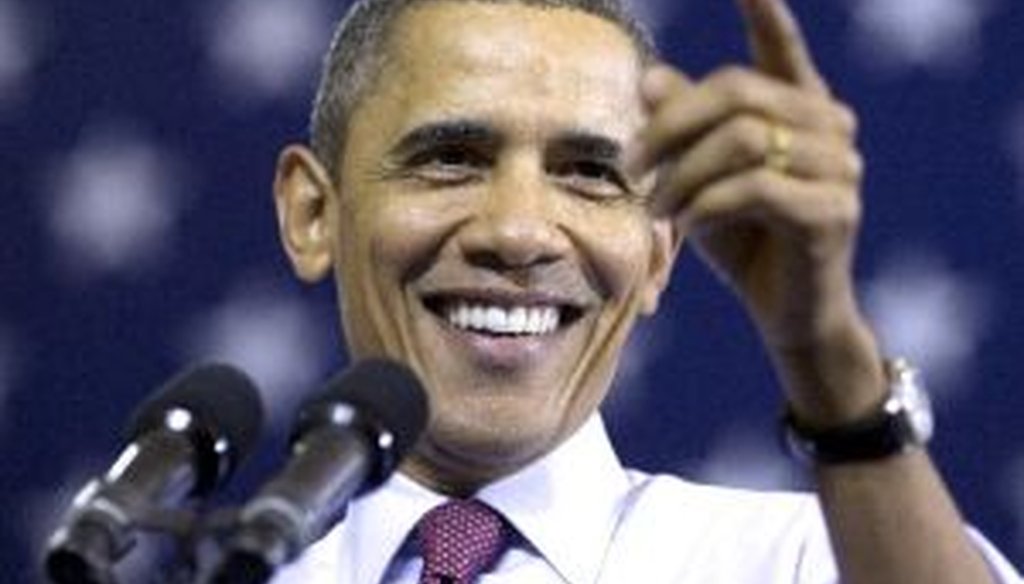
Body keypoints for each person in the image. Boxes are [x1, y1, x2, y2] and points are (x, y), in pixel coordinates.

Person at [268, 0, 1022, 581]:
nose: (522, 231)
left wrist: (826, 355)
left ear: (659, 251)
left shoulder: (812, 562)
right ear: (313, 213)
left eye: (589, 173)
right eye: (452, 158)